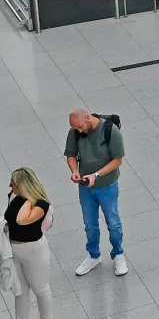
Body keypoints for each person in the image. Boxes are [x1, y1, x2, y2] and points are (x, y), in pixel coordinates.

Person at [0, 168, 54, 319]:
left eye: (13, 183)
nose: (10, 185)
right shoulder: (16, 198)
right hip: (15, 249)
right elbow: (12, 220)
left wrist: (29, 198)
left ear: (23, 185)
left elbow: (22, 220)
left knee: (40, 288)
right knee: (20, 290)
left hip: (34, 250)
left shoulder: (40, 204)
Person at [65, 110, 126, 277]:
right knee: (90, 224)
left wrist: (97, 175)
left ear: (86, 117)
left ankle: (118, 254)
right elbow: (70, 154)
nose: (79, 131)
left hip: (107, 185)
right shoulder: (75, 131)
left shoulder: (110, 130)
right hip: (85, 187)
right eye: (76, 129)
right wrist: (74, 170)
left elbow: (118, 160)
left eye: (80, 127)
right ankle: (93, 255)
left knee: (113, 222)